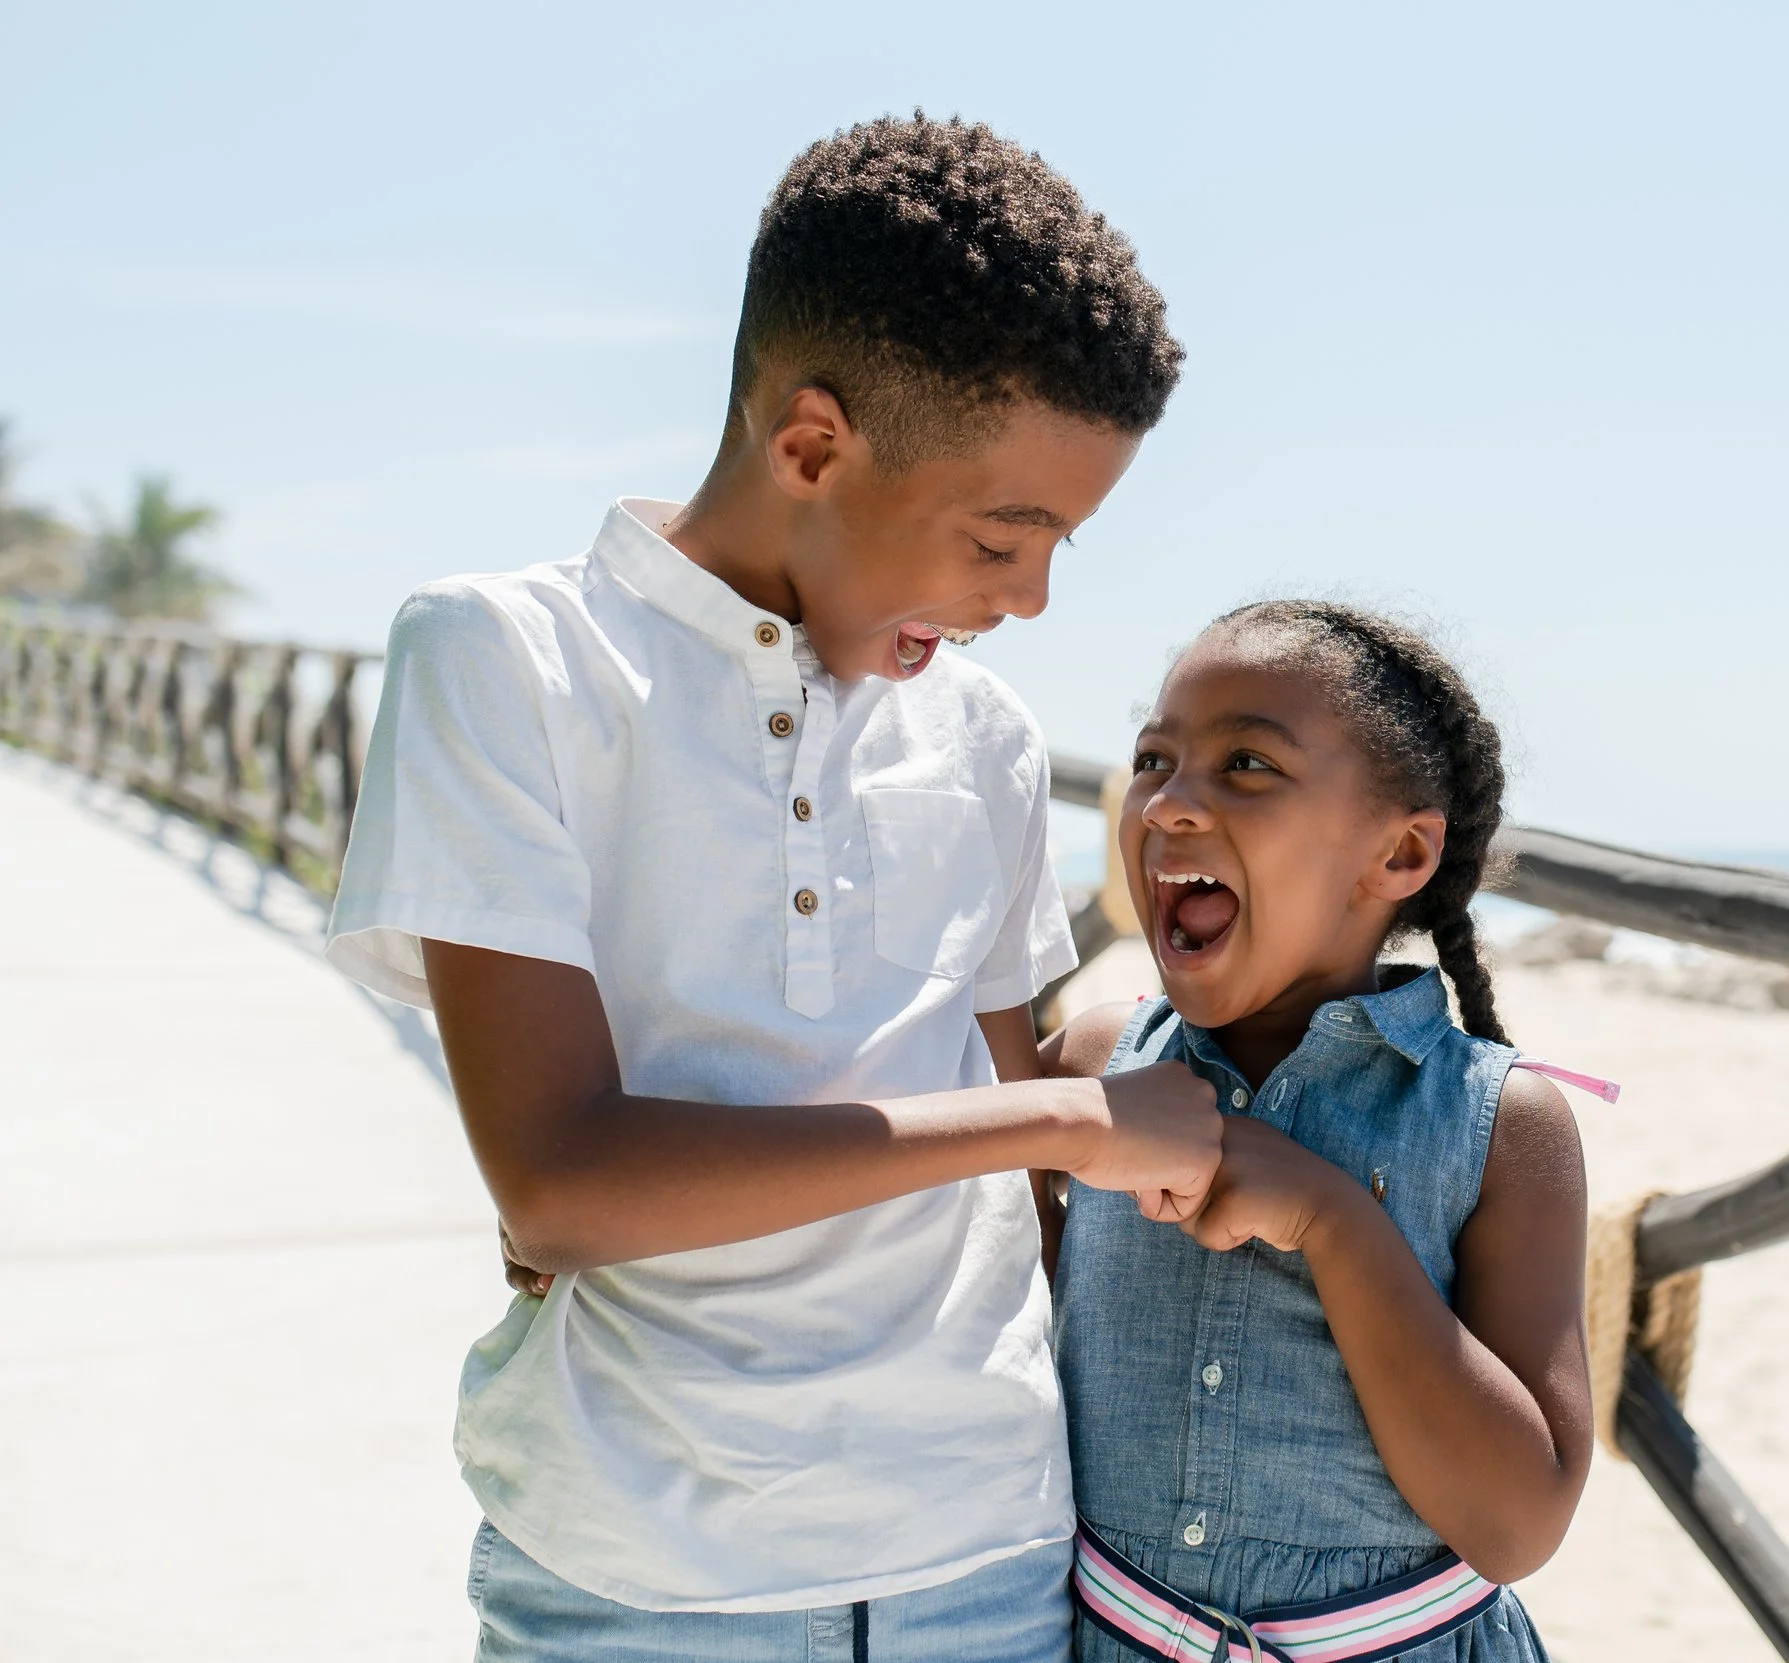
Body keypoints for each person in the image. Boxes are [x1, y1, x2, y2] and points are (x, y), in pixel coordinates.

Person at [323, 115, 1223, 1662]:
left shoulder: (988, 735)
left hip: (991, 1562)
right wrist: (1072, 1118)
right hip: (634, 1581)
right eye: (1002, 536)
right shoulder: (510, 659)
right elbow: (561, 1185)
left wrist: (1082, 1094)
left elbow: (1015, 1172)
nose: (1029, 596)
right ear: (810, 444)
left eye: (1059, 546)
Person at [1042, 602, 1594, 1663]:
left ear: (1400, 852)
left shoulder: (1500, 1124)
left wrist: (1335, 1223)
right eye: (1153, 759)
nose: (1168, 800)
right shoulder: (1095, 1066)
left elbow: (1518, 1526)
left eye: (1247, 763)